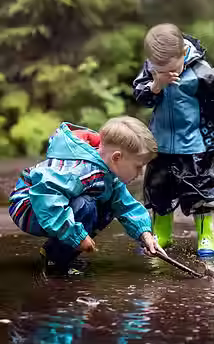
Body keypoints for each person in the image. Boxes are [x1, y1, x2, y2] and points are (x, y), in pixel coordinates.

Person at [133, 23, 214, 259]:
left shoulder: (202, 71)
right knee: (159, 189)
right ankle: (161, 232)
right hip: (161, 144)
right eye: (160, 69)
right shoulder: (152, 70)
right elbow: (141, 96)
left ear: (183, 53)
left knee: (200, 192)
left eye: (172, 68)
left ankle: (205, 233)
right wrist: (156, 85)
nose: (167, 73)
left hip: (197, 146)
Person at [9, 116, 162, 274]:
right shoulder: (81, 170)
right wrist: (75, 235)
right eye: (138, 166)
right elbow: (46, 194)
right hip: (28, 206)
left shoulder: (109, 171)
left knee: (109, 205)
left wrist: (146, 235)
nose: (141, 172)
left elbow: (126, 205)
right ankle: (56, 260)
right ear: (117, 157)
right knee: (86, 206)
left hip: (47, 205)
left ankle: (57, 252)